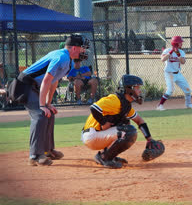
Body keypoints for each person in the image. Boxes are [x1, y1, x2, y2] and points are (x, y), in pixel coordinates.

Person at [21, 34, 89, 166]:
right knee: (40, 114)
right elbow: (46, 80)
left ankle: (47, 151)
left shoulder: (67, 60)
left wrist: (48, 103)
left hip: (34, 86)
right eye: (82, 48)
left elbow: (53, 81)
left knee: (49, 113)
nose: (84, 51)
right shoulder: (62, 57)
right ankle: (34, 156)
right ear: (74, 48)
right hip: (24, 85)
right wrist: (42, 105)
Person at [81, 74, 159, 169]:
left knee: (126, 124)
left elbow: (139, 121)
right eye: (137, 88)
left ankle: (106, 155)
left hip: (97, 135)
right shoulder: (115, 100)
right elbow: (94, 108)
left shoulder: (126, 105)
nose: (140, 91)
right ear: (129, 89)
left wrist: (149, 139)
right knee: (129, 132)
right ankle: (105, 158)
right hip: (92, 135)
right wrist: (103, 122)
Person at [157, 36, 192, 111]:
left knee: (187, 89)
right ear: (176, 43)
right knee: (170, 90)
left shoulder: (181, 52)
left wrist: (177, 53)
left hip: (178, 73)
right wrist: (170, 52)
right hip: (169, 73)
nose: (181, 44)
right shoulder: (167, 50)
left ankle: (188, 104)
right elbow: (162, 59)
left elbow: (183, 62)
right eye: (180, 42)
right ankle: (160, 105)